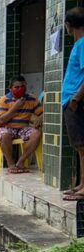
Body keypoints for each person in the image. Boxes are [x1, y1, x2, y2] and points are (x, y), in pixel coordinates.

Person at [0, 75, 43, 173]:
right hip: (7, 127)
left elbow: (42, 113)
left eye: (23, 86)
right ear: (10, 88)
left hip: (23, 128)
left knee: (36, 134)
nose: (20, 89)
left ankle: (21, 161)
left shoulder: (32, 99)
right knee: (5, 134)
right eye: (17, 87)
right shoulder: (4, 100)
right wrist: (15, 107)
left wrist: (40, 119)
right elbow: (0, 121)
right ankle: (11, 164)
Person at [63, 7, 84, 201]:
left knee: (82, 146)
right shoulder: (79, 45)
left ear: (68, 25)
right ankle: (81, 184)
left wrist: (76, 99)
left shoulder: (83, 44)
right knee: (80, 147)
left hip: (76, 101)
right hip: (72, 101)